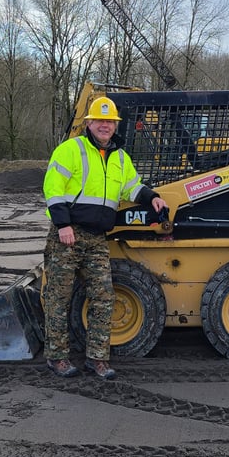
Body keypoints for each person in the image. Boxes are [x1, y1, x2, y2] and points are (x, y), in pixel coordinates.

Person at [41, 96, 167, 380]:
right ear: (89, 123)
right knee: (58, 299)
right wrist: (62, 224)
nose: (105, 126)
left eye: (110, 122)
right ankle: (57, 358)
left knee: (103, 298)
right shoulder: (71, 150)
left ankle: (97, 359)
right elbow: (52, 186)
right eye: (100, 120)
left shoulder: (120, 157)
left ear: (115, 126)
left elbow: (131, 187)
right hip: (68, 234)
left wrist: (153, 198)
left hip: (98, 239)